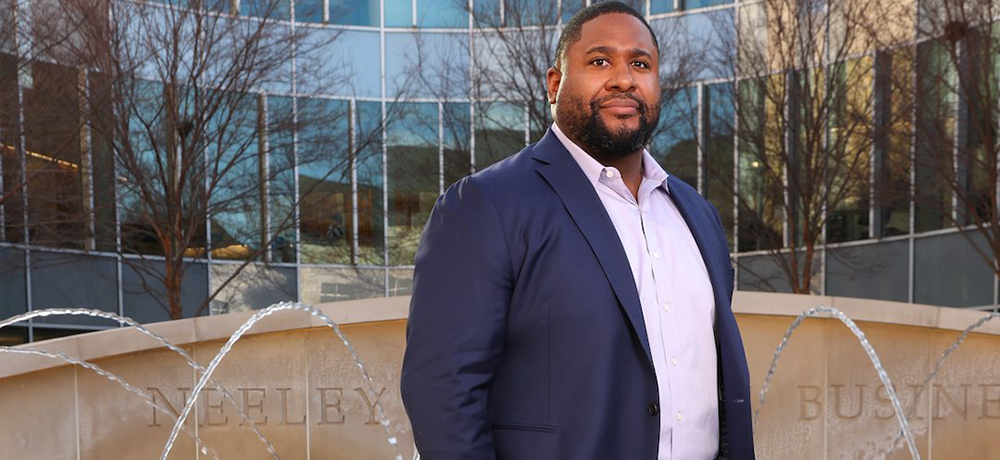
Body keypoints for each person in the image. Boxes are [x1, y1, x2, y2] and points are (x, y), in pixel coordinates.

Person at [400, 2, 754, 459]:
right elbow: (443, 391)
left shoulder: (698, 214)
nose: (624, 78)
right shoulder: (487, 205)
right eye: (600, 61)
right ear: (554, 84)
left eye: (640, 64)